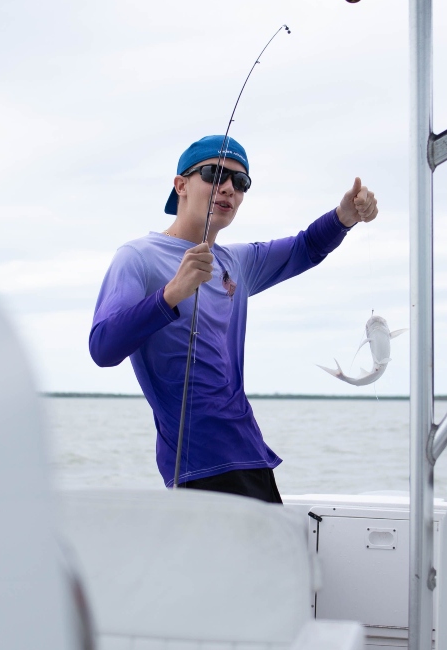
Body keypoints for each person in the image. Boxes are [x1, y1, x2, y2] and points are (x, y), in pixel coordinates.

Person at [89, 135, 379, 503]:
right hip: (198, 466)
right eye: (214, 174)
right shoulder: (137, 257)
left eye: (240, 182)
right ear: (181, 185)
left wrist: (345, 218)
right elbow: (102, 348)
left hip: (250, 453)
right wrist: (171, 294)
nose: (228, 188)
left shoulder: (236, 262)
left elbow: (304, 247)